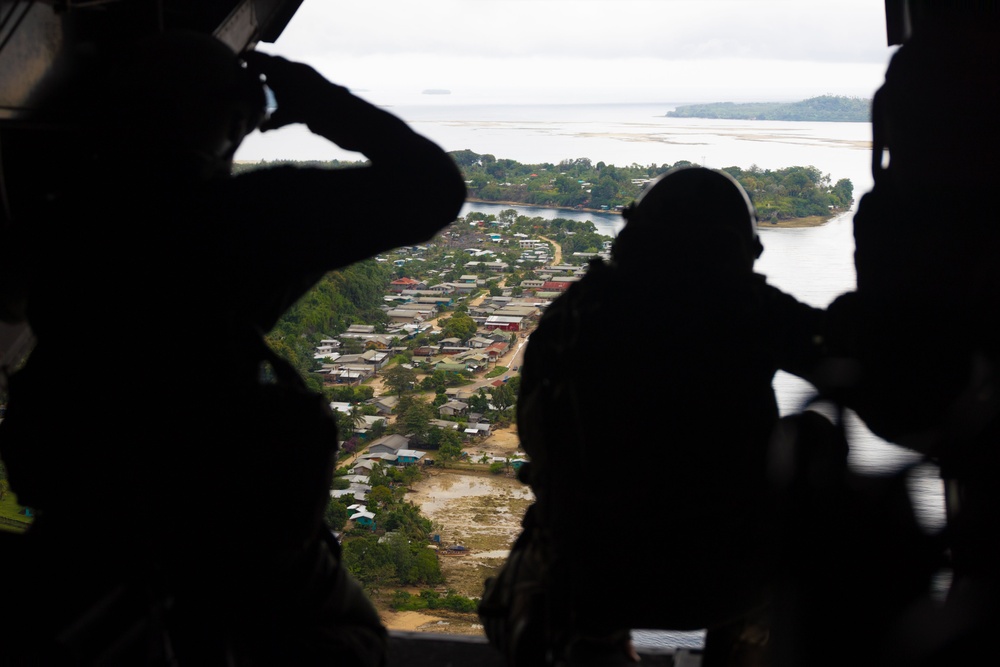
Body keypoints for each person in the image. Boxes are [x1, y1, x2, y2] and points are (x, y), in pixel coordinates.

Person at [0, 31, 465, 665]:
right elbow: (433, 189)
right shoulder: (240, 217)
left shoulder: (60, 218)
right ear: (233, 119)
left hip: (83, 515)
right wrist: (319, 99)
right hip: (225, 522)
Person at [479, 166, 826, 666]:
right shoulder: (750, 310)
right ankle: (744, 645)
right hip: (731, 576)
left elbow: (538, 439)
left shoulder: (575, 316)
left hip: (591, 575)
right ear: (739, 251)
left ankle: (589, 645)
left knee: (538, 557)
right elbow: (851, 362)